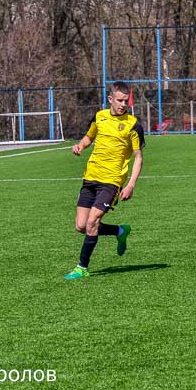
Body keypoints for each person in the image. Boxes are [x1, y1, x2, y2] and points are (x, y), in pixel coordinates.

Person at [64, 82, 145, 280]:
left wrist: (131, 184)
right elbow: (88, 137)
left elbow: (138, 157)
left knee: (92, 222)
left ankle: (82, 267)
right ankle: (119, 230)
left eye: (126, 101)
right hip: (90, 177)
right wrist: (80, 146)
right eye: (119, 100)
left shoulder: (133, 124)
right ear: (110, 99)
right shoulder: (99, 117)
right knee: (81, 226)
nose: (123, 104)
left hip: (112, 181)